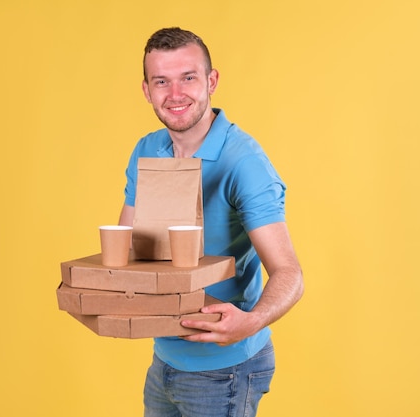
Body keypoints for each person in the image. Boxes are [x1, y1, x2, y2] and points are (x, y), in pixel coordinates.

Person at [117, 27, 304, 417]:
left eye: (188, 77)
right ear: (146, 90)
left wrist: (251, 322)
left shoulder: (244, 161)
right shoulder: (147, 150)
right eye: (161, 81)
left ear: (211, 81)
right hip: (164, 357)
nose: (175, 94)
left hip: (225, 370)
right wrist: (95, 292)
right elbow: (129, 250)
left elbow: (289, 273)